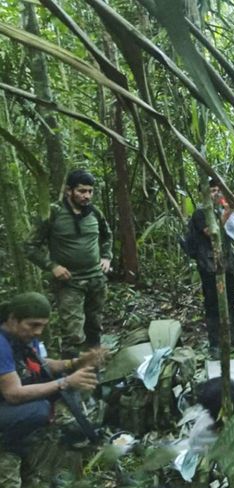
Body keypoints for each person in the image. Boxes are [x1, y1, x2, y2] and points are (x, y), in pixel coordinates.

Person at [0, 292, 104, 487]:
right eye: (33, 325)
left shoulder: (22, 336)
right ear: (13, 319)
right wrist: (65, 382)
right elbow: (13, 394)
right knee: (39, 409)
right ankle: (10, 448)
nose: (38, 331)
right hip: (9, 400)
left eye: (42, 326)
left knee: (66, 388)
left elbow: (40, 364)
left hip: (8, 401)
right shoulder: (1, 344)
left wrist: (75, 363)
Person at [25, 169, 112, 358]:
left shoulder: (95, 213)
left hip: (96, 279)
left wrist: (106, 257)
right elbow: (30, 246)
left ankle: (93, 368)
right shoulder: (53, 213)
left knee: (95, 327)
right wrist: (52, 266)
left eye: (90, 191)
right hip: (69, 282)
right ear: (68, 191)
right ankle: (72, 372)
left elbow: (107, 236)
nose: (87, 195)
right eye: (81, 191)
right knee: (73, 334)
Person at [190, 178, 234, 356]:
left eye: (217, 190)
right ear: (203, 194)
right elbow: (212, 232)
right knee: (213, 304)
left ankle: (233, 336)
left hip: (226, 263)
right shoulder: (200, 213)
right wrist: (228, 211)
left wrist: (230, 209)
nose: (216, 194)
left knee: (230, 300)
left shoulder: (220, 209)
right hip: (209, 265)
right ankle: (215, 344)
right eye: (212, 191)